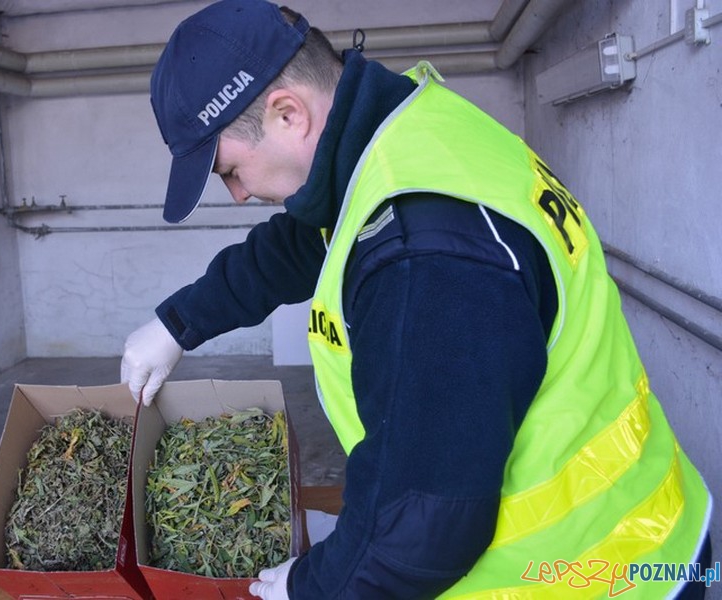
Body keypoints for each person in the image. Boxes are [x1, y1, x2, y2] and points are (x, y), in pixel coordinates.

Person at [120, 1, 713, 598]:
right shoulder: (402, 132)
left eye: (229, 171)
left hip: (596, 573)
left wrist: (316, 585)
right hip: (644, 528)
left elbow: (421, 525)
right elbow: (304, 242)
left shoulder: (424, 259)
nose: (239, 195)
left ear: (287, 114)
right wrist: (178, 323)